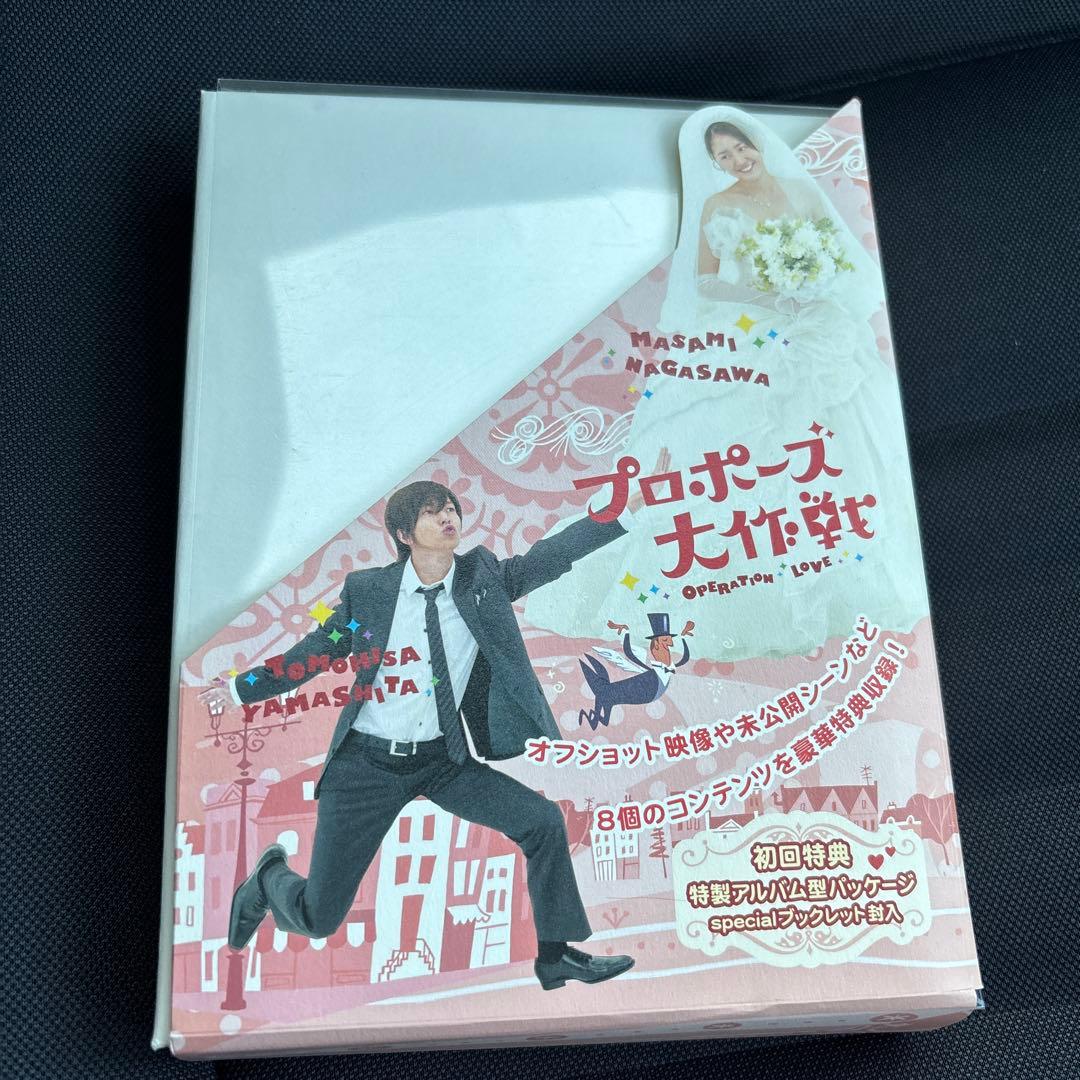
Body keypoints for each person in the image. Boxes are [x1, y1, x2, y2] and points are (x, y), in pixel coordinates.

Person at [523, 106, 928, 663]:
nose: (738, 160)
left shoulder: (799, 192)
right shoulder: (718, 207)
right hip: (754, 324)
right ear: (714, 164)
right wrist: (771, 295)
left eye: (742, 148)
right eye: (724, 156)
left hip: (820, 325)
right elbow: (708, 282)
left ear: (757, 143)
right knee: (733, 436)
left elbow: (835, 253)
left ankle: (847, 566)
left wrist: (815, 283)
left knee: (848, 430)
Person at [199, 480, 639, 991]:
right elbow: (315, 653)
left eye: (451, 508)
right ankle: (267, 878)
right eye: (432, 512)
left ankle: (556, 956)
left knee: (541, 821)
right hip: (366, 765)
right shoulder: (369, 593)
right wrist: (239, 688)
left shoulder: (482, 579)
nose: (448, 517)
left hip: (442, 759)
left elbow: (549, 557)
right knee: (318, 918)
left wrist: (615, 513)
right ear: (405, 534)